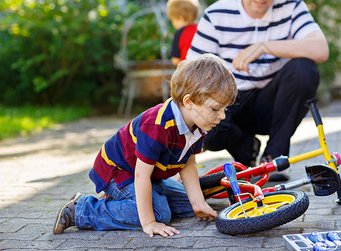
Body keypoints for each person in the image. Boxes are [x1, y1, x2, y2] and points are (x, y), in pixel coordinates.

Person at [53, 54, 237, 237]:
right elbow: (141, 174)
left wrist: (198, 203)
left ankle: (129, 204)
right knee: (160, 214)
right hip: (119, 172)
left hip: (148, 175)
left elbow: (188, 163)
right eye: (215, 109)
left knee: (188, 206)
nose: (222, 116)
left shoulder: (200, 124)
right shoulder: (157, 125)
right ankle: (81, 210)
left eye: (225, 109)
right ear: (189, 102)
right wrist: (149, 222)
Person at [186, 0, 329, 180]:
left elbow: (321, 50)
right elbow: (190, 71)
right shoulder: (216, 14)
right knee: (205, 127)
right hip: (230, 103)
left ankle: (274, 158)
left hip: (272, 103)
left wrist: (264, 46)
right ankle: (246, 147)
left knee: (304, 69)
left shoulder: (291, 6)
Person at [166, 0, 200, 66]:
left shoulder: (179, 33)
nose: (172, 23)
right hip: (202, 71)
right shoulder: (201, 29)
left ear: (180, 18)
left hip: (186, 72)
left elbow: (175, 60)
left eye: (173, 20)